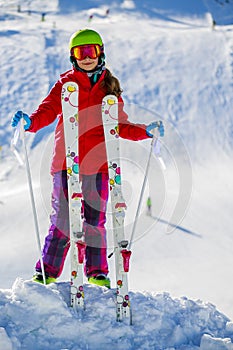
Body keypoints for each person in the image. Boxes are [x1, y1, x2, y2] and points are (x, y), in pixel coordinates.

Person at [11, 29, 164, 287]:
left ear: (100, 52)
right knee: (63, 219)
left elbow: (120, 125)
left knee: (95, 221)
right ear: (73, 57)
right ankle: (46, 272)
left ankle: (97, 273)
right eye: (80, 52)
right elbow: (47, 111)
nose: (86, 57)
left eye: (91, 51)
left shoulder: (109, 88)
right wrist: (30, 123)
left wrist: (145, 132)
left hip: (99, 165)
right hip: (65, 162)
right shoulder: (65, 86)